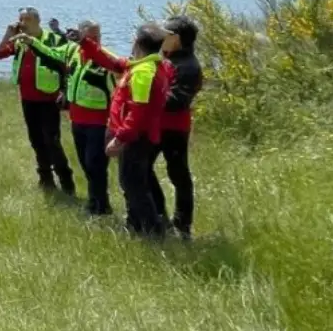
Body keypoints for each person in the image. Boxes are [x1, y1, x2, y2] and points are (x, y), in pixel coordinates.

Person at [82, 24, 173, 238]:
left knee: (134, 185)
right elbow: (112, 62)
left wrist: (120, 138)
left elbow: (138, 112)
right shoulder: (143, 65)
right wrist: (85, 43)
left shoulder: (143, 73)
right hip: (135, 136)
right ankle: (135, 226)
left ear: (138, 43)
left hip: (136, 139)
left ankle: (152, 233)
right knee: (131, 182)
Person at [24, 20, 116, 215]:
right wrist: (32, 42)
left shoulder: (105, 58)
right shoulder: (72, 52)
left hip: (99, 122)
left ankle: (99, 207)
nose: (95, 40)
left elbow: (117, 86)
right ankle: (97, 201)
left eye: (97, 36)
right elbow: (51, 54)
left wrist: (114, 124)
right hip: (78, 120)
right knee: (85, 163)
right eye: (91, 36)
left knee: (95, 163)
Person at [0, 6, 75, 194]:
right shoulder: (19, 41)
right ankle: (45, 179)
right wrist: (7, 34)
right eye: (20, 19)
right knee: (36, 140)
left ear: (38, 21)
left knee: (52, 141)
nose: (22, 23)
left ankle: (66, 181)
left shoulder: (53, 39)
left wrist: (64, 92)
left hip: (49, 99)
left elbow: (65, 67)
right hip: (28, 99)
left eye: (27, 19)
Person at [153, 15, 203, 238]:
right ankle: (159, 216)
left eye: (165, 33)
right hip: (155, 124)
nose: (160, 37)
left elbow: (176, 102)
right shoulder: (166, 57)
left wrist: (146, 97)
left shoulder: (189, 67)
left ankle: (182, 226)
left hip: (174, 128)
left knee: (178, 174)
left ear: (176, 38)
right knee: (140, 168)